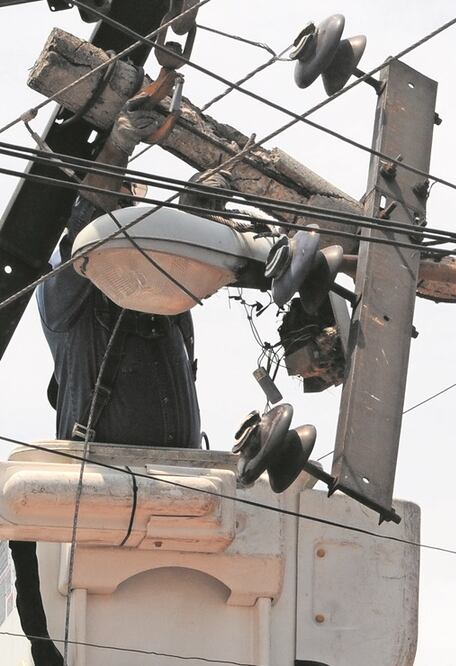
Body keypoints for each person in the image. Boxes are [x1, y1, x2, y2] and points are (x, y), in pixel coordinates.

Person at [13, 99, 203, 666]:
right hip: (105, 498)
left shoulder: (170, 297)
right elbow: (86, 233)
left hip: (183, 501)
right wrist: (116, 150)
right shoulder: (69, 295)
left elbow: (196, 244)